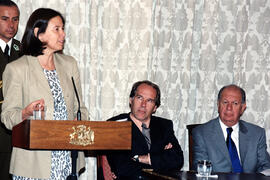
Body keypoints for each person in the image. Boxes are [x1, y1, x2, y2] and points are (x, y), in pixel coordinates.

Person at [1, 8, 89, 179]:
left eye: (63, 29)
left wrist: (81, 122)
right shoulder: (17, 69)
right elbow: (7, 117)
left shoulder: (70, 64)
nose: (63, 34)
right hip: (33, 162)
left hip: (67, 159)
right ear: (38, 34)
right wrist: (25, 113)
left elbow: (80, 108)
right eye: (57, 29)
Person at [106, 80, 184, 179]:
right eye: (140, 98)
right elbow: (122, 168)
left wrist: (141, 158)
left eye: (149, 100)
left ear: (155, 107)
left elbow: (177, 160)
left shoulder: (164, 125)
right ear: (131, 100)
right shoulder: (116, 125)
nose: (143, 104)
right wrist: (161, 158)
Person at [192, 84, 270, 173]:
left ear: (242, 108)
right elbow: (201, 169)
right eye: (225, 102)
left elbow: (265, 167)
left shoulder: (256, 134)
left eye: (235, 103)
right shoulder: (202, 133)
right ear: (218, 105)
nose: (229, 108)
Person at [0, 1, 21, 179]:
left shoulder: (24, 51)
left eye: (15, 19)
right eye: (5, 19)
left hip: (16, 132)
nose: (11, 25)